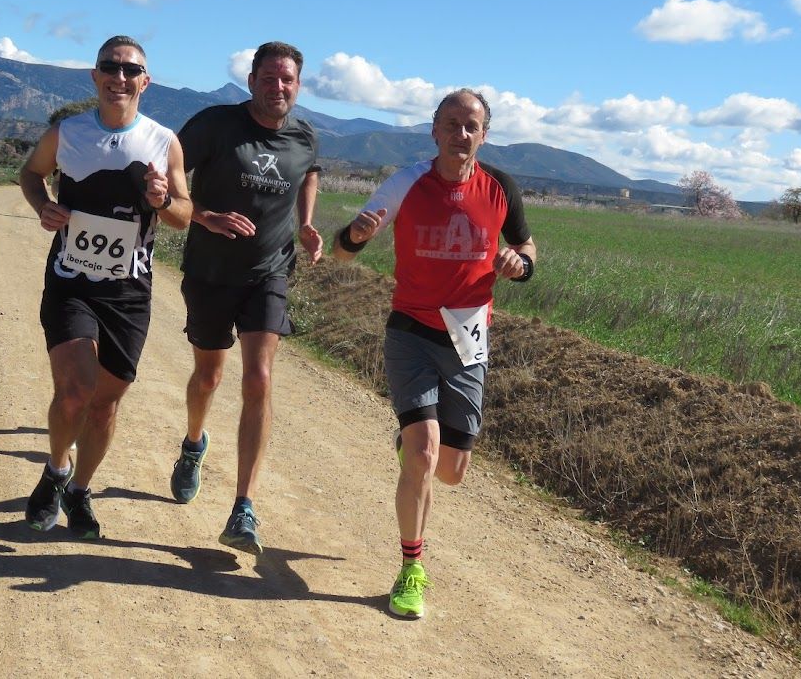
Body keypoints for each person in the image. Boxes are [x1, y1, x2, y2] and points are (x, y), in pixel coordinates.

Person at [332, 88, 536, 618]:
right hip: (412, 331)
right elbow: (343, 247)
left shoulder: (501, 187)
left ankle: (410, 446)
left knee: (449, 472)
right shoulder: (406, 182)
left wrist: (519, 262)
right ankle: (410, 568)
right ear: (434, 130)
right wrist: (354, 236)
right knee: (423, 455)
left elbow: (526, 245)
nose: (460, 134)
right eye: (450, 124)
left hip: (469, 337)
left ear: (484, 134)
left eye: (470, 125)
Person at [20, 35, 191, 538]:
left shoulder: (163, 141)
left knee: (106, 404)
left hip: (128, 292)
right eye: (109, 68)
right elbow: (31, 175)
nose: (120, 77)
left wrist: (162, 201)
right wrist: (43, 205)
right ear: (94, 77)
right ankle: (55, 472)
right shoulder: (66, 133)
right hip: (71, 279)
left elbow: (184, 216)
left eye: (130, 70)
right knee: (74, 390)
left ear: (145, 81)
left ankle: (80, 490)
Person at [168, 40, 323, 556]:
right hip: (210, 272)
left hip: (269, 273)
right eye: (269, 77)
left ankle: (243, 507)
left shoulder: (305, 135)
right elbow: (166, 183)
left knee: (258, 377)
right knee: (209, 375)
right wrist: (205, 217)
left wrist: (305, 224)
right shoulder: (215, 124)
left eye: (288, 80)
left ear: (298, 86)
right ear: (252, 78)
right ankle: (194, 444)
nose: (278, 87)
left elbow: (310, 172)